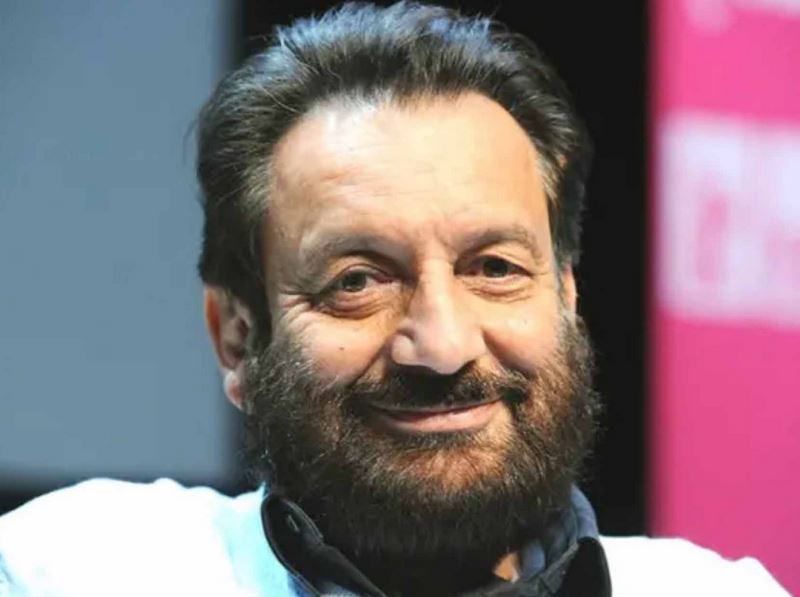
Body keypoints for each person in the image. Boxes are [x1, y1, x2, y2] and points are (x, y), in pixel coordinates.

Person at [0, 2, 789, 596]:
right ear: (236, 337)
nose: (441, 345)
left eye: (495, 267)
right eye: (357, 281)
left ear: (567, 297)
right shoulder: (75, 571)